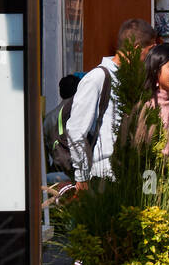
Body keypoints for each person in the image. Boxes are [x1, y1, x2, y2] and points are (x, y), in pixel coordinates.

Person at [68, 18, 159, 186]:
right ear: (136, 49)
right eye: (151, 50)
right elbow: (76, 130)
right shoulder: (98, 78)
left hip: (138, 175)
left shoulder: (139, 79)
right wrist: (82, 178)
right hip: (106, 179)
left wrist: (151, 187)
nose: (152, 57)